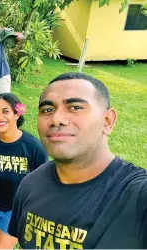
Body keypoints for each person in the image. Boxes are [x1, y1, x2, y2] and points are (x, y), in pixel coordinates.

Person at [8, 72, 147, 248]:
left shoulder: (137, 196)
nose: (56, 119)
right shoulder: (30, 184)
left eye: (75, 107)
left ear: (107, 121)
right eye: (47, 110)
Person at [0, 93, 48, 249]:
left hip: (19, 210)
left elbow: (45, 185)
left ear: (17, 114)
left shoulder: (33, 147)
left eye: (5, 111)